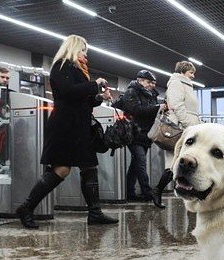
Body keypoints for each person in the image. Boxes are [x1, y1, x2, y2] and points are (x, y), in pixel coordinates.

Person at [16, 35, 118, 229]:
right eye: (83, 51)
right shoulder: (61, 65)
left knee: (89, 167)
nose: (85, 55)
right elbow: (67, 92)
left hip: (79, 127)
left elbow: (82, 100)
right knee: (61, 169)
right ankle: (26, 208)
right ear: (73, 48)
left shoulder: (78, 70)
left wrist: (99, 97)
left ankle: (95, 213)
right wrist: (94, 85)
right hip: (65, 127)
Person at [151, 61, 201, 208]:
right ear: (183, 72)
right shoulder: (176, 83)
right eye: (191, 72)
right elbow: (177, 106)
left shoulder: (186, 85)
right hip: (179, 129)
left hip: (188, 129)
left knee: (179, 163)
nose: (193, 75)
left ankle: (191, 195)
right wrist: (189, 125)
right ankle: (158, 190)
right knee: (174, 164)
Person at [122, 69, 166, 202]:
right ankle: (147, 193)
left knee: (135, 165)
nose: (152, 85)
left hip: (146, 134)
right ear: (140, 81)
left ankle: (130, 193)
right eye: (149, 82)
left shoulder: (151, 94)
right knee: (140, 162)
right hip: (134, 133)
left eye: (154, 83)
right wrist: (157, 108)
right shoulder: (131, 92)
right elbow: (135, 110)